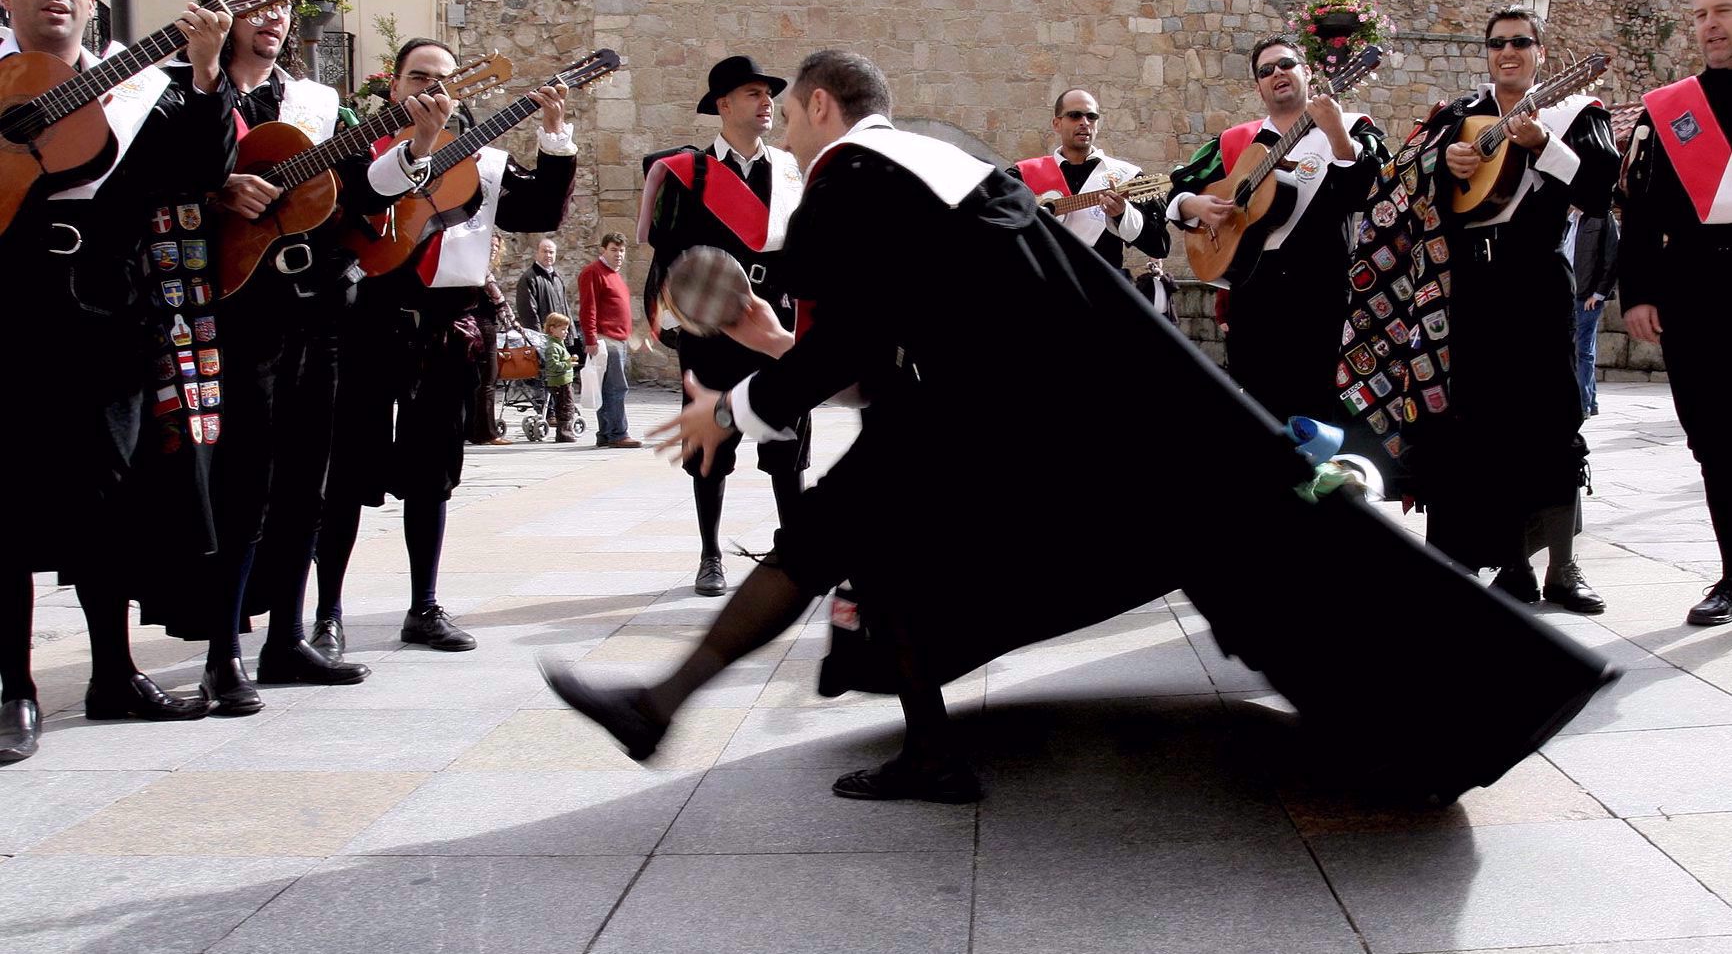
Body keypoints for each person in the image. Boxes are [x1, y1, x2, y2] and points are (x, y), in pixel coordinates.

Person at [543, 50, 1616, 807]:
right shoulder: (944, 162)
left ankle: (667, 703)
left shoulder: (853, 173)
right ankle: (904, 748)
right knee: (861, 543)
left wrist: (730, 404)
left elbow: (865, 334)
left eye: (793, 112)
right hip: (1037, 407)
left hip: (988, 411)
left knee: (829, 536)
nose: (785, 130)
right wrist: (777, 357)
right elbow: (911, 325)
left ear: (822, 107)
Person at [0, 0, 236, 762]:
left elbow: (200, 173)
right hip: (7, 308)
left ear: (91, 0)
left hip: (105, 311)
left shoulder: (138, 89)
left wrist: (207, 73)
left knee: (108, 498)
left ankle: (112, 673)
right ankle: (13, 690)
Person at [207, 0, 436, 707]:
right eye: (257, 4)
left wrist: (414, 149)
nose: (274, 17)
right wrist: (216, 188)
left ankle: (286, 639)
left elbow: (359, 187)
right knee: (245, 481)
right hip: (235, 304)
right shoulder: (190, 94)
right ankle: (221, 651)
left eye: (284, 7)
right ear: (223, 11)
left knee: (309, 476)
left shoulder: (313, 104)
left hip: (316, 304)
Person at [312, 38, 577, 659]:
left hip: (447, 326)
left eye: (444, 79)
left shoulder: (484, 161)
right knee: (348, 470)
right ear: (394, 86)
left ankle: (424, 606)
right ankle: (327, 613)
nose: (432, 88)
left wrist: (555, 132)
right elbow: (360, 202)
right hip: (370, 319)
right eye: (418, 77)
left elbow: (539, 211)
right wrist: (420, 150)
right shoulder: (358, 149)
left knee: (432, 476)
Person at [1385, 7, 1617, 614]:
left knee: (1553, 416)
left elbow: (1598, 193)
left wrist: (1544, 146)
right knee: (1483, 425)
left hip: (1535, 277)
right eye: (1496, 43)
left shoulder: (1577, 111)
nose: (1507, 51)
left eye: (1520, 42)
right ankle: (1512, 566)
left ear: (1543, 51)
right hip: (1468, 287)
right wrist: (1444, 165)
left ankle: (1565, 568)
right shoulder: (1457, 116)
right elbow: (1399, 181)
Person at [639, 55, 809, 595]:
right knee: (710, 445)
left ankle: (795, 547)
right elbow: (667, 252)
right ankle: (711, 553)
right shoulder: (685, 173)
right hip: (712, 327)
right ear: (723, 105)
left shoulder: (789, 170)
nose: (767, 105)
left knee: (787, 438)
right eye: (754, 94)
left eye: (770, 95)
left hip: (774, 316)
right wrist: (681, 313)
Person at [1167, 34, 1387, 423]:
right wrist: (1194, 204)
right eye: (1266, 71)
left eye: (1286, 64)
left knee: (1322, 410)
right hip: (1254, 295)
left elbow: (1370, 192)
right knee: (1258, 407)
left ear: (1307, 71)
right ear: (1258, 86)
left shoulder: (1352, 126)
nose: (1277, 74)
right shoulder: (1236, 142)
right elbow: (1180, 185)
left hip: (1321, 290)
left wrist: (1336, 133)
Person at [1620, 0, 1732, 627]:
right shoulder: (1673, 109)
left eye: (1724, 11)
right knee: (1715, 439)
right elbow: (1642, 212)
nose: (1712, 26)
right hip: (1697, 293)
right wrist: (1637, 291)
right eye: (1701, 15)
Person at [1012, 87, 1169, 276]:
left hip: (1100, 287)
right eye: (1074, 116)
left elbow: (1159, 245)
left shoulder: (1128, 176)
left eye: (1091, 116)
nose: (1084, 123)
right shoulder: (1021, 174)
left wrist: (1121, 214)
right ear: (1056, 124)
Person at [578, 233, 640, 449]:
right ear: (603, 250)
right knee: (616, 388)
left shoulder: (615, 275)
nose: (619, 254)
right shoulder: (593, 272)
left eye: (622, 250)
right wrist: (591, 338)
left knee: (606, 389)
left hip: (619, 339)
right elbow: (588, 307)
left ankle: (605, 433)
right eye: (614, 250)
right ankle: (618, 433)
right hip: (606, 339)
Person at [468, 233, 517, 445]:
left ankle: (475, 429)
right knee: (488, 379)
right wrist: (512, 323)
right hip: (483, 327)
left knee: (479, 381)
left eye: (497, 246)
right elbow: (500, 302)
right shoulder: (482, 271)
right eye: (490, 245)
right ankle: (488, 432)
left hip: (474, 327)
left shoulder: (473, 267)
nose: (494, 249)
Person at [1571, 208, 1619, 416]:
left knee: (1582, 350)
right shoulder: (1570, 220)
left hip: (1588, 297)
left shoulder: (1602, 218)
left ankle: (1582, 405)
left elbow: (1613, 257)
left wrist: (1599, 293)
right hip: (1568, 294)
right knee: (1579, 350)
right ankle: (1591, 401)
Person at [515, 237, 571, 336]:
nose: (548, 255)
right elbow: (528, 313)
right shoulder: (529, 278)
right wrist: (538, 337)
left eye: (551, 252)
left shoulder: (557, 278)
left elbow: (565, 308)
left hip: (560, 337)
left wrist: (571, 334)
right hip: (544, 337)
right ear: (537, 253)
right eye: (544, 251)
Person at [541, 311, 580, 442]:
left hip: (564, 381)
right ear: (552, 329)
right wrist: (568, 364)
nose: (566, 332)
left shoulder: (558, 344)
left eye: (567, 329)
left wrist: (569, 360)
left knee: (567, 406)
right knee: (565, 408)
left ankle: (565, 431)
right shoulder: (552, 346)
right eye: (563, 329)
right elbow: (554, 365)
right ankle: (564, 433)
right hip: (560, 382)